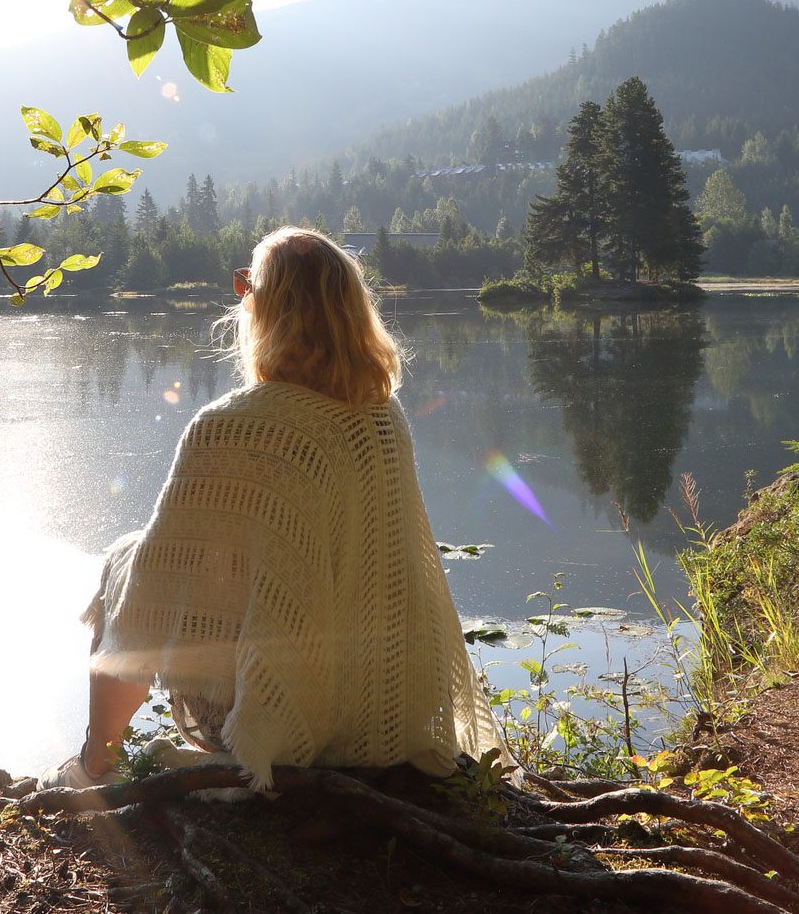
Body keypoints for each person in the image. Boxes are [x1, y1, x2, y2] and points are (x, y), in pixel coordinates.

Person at [53, 226, 496, 791]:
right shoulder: (383, 418)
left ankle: (96, 765)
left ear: (271, 309)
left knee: (123, 565)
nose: (241, 298)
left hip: (275, 721)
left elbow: (152, 584)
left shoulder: (229, 426)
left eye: (247, 286)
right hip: (383, 707)